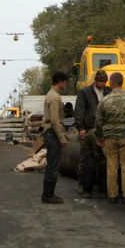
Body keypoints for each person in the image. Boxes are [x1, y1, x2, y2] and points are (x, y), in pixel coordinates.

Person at [95, 72, 125, 205]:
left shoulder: (105, 100)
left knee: (111, 166)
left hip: (109, 137)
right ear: (122, 83)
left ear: (111, 83)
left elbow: (99, 121)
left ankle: (112, 195)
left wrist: (100, 136)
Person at [74, 69, 111, 198]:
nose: (104, 84)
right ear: (96, 81)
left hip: (102, 130)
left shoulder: (107, 92)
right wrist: (81, 127)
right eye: (102, 82)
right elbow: (79, 110)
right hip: (88, 129)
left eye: (105, 82)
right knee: (86, 159)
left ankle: (102, 186)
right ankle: (85, 188)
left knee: (102, 160)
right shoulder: (85, 92)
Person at [41, 70, 69, 204]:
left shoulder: (52, 95)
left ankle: (48, 194)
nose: (65, 85)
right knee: (53, 165)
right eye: (65, 82)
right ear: (60, 82)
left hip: (51, 133)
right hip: (52, 133)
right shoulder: (54, 97)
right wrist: (62, 138)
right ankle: (48, 195)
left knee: (52, 164)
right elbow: (54, 120)